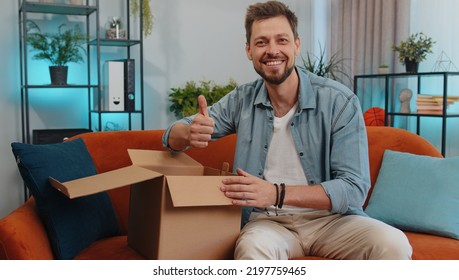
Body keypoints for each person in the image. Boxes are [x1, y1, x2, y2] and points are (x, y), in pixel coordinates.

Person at [162, 0, 412, 260]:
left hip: (333, 222)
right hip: (268, 224)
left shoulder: (339, 101)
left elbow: (353, 189)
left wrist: (276, 193)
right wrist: (187, 133)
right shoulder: (241, 100)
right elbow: (172, 135)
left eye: (281, 40)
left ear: (296, 45)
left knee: (393, 244)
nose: (272, 50)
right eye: (261, 42)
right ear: (249, 50)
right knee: (251, 250)